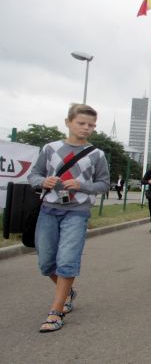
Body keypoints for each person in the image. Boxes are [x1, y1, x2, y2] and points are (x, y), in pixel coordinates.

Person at [27, 103, 110, 332]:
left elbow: (104, 184)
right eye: (81, 123)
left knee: (67, 259)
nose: (86, 128)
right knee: (46, 262)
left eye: (91, 125)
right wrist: (43, 181)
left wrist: (82, 185)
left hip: (77, 211)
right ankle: (67, 292)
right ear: (68, 122)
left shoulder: (97, 154)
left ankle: (56, 311)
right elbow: (33, 175)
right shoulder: (50, 148)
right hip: (49, 209)